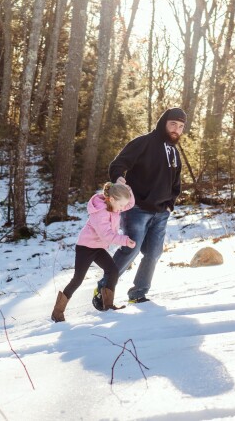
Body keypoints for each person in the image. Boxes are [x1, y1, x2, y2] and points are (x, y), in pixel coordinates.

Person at [94, 107, 186, 307]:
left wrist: (170, 205)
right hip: (137, 209)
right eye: (173, 124)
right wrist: (119, 179)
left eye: (180, 126)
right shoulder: (143, 143)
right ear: (164, 123)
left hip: (161, 212)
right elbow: (118, 164)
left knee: (153, 253)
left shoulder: (174, 153)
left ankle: (138, 293)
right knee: (131, 250)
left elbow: (176, 183)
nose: (176, 130)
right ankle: (104, 289)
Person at [51, 182, 137, 322]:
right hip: (85, 248)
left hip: (98, 248)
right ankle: (57, 312)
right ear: (113, 200)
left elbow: (129, 203)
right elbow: (106, 235)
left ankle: (107, 306)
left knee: (112, 271)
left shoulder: (115, 206)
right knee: (78, 279)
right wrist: (125, 240)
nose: (123, 208)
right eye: (121, 206)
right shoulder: (100, 212)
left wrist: (127, 187)